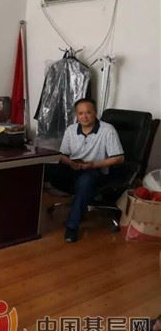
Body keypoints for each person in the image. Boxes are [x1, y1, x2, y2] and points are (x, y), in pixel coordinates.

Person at [46, 99, 124, 243]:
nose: (84, 116)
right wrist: (70, 163)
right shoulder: (71, 130)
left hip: (97, 170)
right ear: (76, 115)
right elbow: (63, 155)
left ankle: (72, 227)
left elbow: (119, 158)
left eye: (88, 112)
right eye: (80, 113)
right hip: (74, 168)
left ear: (95, 113)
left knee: (85, 180)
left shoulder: (107, 130)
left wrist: (93, 164)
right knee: (44, 167)